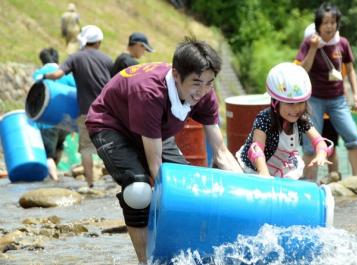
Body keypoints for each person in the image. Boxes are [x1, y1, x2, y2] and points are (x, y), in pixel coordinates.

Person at [85, 37, 243, 264]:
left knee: (189, 185)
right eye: (196, 83)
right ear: (176, 75)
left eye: (209, 82)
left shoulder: (205, 93)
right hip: (111, 125)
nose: (202, 91)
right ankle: (145, 260)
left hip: (154, 130)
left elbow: (221, 152)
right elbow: (156, 167)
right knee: (139, 191)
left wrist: (245, 190)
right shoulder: (150, 93)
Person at [295, 2, 357, 181]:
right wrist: (313, 49)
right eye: (325, 23)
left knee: (354, 138)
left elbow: (351, 69)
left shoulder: (343, 43)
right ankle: (310, 185)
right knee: (310, 146)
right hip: (314, 100)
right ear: (318, 25)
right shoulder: (309, 42)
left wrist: (356, 94)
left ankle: (356, 180)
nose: (330, 26)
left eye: (333, 22)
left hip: (338, 100)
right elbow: (302, 70)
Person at [41, 25, 113, 188]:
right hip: (109, 112)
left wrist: (44, 75)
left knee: (86, 148)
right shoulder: (107, 59)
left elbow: (57, 74)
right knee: (110, 145)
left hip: (87, 113)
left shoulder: (75, 57)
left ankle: (90, 184)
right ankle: (117, 181)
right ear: (99, 42)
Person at [236, 62, 331, 179]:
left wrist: (321, 154)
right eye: (290, 104)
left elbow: (318, 141)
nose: (296, 109)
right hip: (257, 166)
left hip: (283, 165)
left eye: (300, 102)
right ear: (275, 102)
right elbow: (257, 148)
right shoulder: (264, 119)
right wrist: (263, 172)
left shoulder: (302, 119)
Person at [32, 48, 76, 180]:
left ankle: (54, 180)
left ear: (42, 60)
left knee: (48, 155)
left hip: (47, 121)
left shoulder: (39, 73)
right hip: (66, 120)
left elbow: (34, 95)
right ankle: (55, 177)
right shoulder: (67, 74)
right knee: (59, 145)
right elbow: (74, 94)